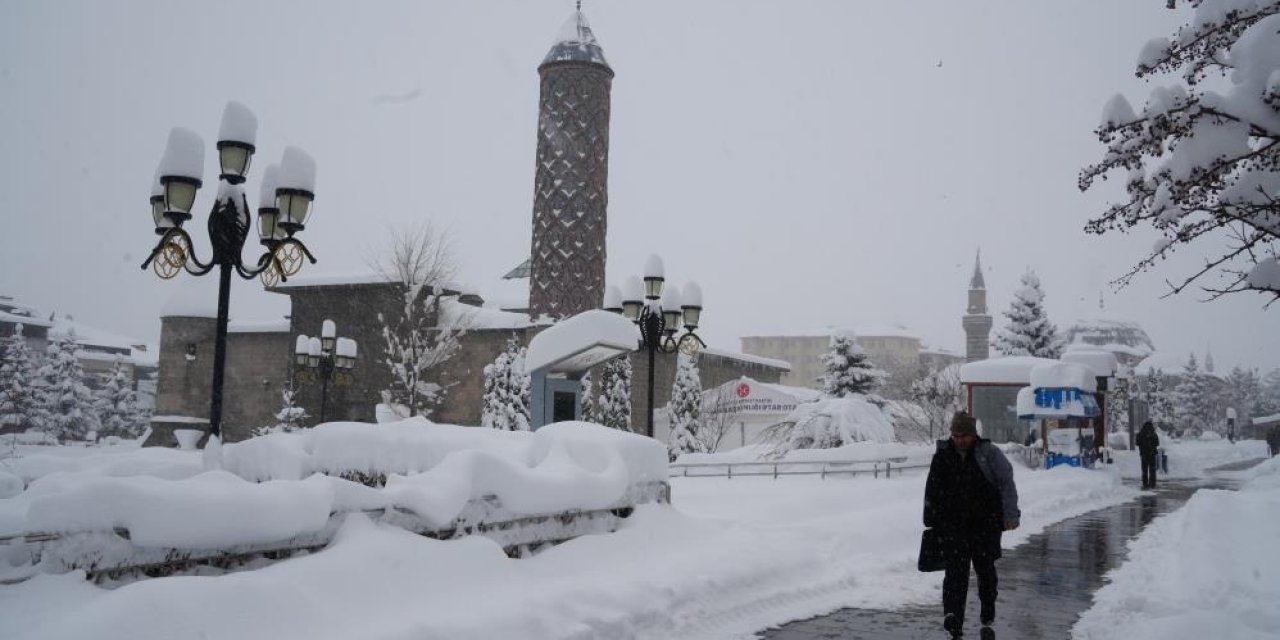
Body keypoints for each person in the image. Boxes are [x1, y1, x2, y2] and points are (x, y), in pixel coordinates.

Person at [923, 411, 1020, 637]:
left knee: (985, 570)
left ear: (974, 434)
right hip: (953, 526)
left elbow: (1006, 484)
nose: (959, 440)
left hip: (985, 525)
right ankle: (953, 616)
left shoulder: (989, 454)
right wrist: (931, 519)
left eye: (964, 435)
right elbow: (932, 489)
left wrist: (1010, 515)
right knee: (955, 573)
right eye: (955, 435)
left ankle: (988, 606)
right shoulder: (943, 455)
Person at [1137, 421, 1160, 489]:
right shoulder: (1153, 434)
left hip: (1144, 454)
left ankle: (1145, 483)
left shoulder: (1140, 434)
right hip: (1152, 454)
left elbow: (1137, 443)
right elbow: (1157, 443)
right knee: (1152, 470)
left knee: (1144, 470)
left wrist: (1143, 445)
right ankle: (1152, 483)